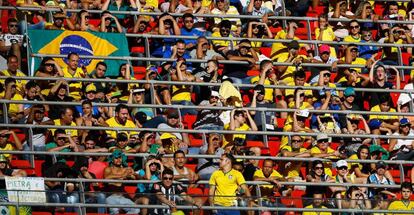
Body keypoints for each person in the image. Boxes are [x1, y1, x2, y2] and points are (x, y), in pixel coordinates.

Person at [104, 150, 140, 215]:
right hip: (111, 197)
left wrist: (134, 174)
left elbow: (136, 178)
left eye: (120, 158)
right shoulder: (108, 169)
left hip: (122, 197)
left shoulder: (126, 169)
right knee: (115, 212)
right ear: (112, 160)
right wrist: (123, 175)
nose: (118, 160)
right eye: (116, 158)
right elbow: (106, 177)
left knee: (136, 209)